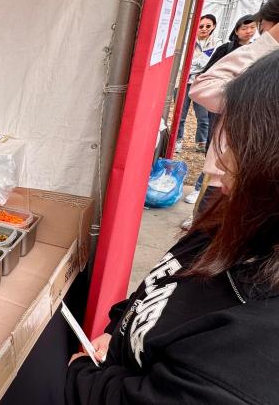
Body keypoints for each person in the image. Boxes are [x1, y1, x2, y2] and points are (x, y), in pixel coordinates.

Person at [66, 49, 279, 404]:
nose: (222, 159)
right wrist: (117, 329)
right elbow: (159, 286)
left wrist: (82, 375)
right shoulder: (235, 222)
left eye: (244, 144)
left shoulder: (257, 345)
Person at [187, 0, 279, 219]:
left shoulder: (261, 55)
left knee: (203, 249)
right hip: (241, 182)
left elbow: (203, 88)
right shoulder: (234, 50)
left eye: (259, 24)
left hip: (239, 183)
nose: (256, 30)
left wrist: (268, 44)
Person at [183, 14, 257, 205]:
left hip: (244, 145)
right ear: (236, 30)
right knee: (214, 146)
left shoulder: (259, 54)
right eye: (244, 28)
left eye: (252, 27)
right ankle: (201, 188)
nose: (248, 31)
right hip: (223, 112)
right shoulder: (228, 49)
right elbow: (203, 83)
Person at [175, 14, 221, 154]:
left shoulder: (216, 43)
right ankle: (177, 140)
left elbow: (207, 62)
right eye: (201, 26)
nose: (204, 29)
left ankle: (201, 142)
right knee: (180, 114)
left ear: (213, 26)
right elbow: (183, 62)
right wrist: (198, 63)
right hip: (183, 81)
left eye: (208, 26)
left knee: (203, 116)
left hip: (203, 83)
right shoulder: (187, 42)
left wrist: (195, 64)